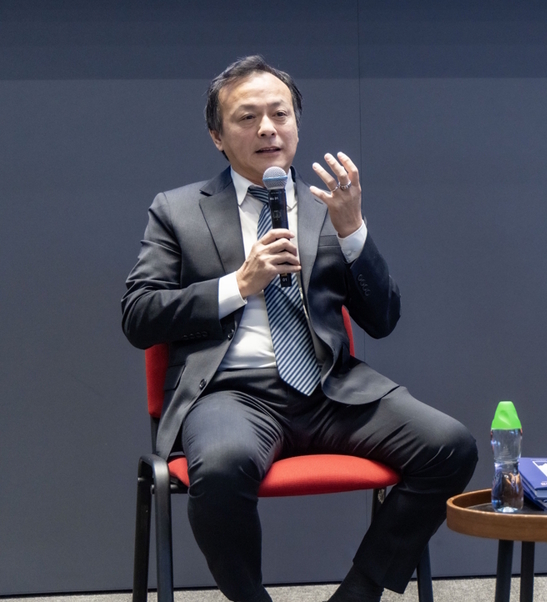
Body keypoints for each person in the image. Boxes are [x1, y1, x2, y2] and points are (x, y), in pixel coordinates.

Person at [122, 55, 478, 602]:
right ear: (217, 135)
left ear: (296, 123)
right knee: (220, 469)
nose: (267, 128)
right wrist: (238, 284)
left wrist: (354, 230)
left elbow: (382, 320)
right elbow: (139, 315)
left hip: (329, 389)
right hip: (230, 395)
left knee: (450, 446)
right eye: (247, 118)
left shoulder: (328, 208)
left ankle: (359, 593)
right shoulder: (177, 211)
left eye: (279, 114)